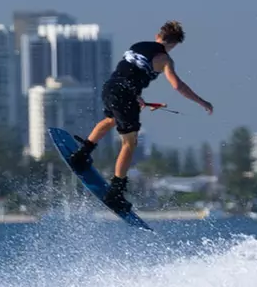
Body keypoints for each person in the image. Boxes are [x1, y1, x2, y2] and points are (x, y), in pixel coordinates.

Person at [67, 20, 212, 212]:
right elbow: (177, 85)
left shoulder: (137, 46)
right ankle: (116, 192)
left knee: (111, 119)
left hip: (110, 88)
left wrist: (136, 97)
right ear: (173, 44)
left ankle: (81, 154)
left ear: (158, 36)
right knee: (130, 142)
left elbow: (128, 74)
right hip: (126, 95)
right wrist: (202, 102)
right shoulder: (164, 58)